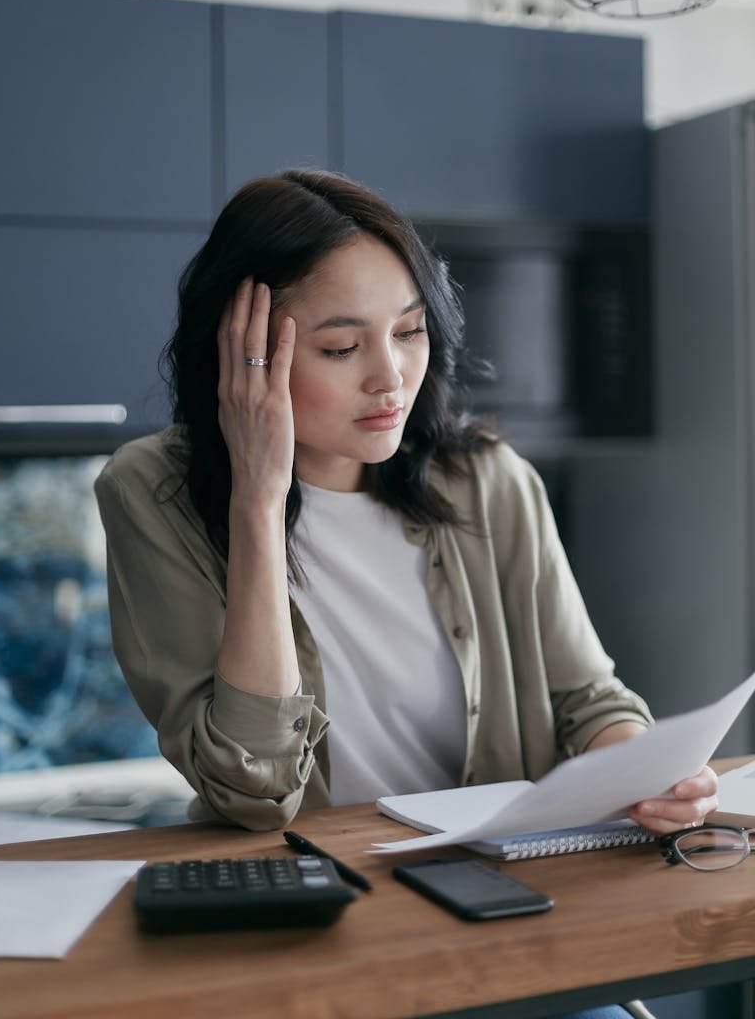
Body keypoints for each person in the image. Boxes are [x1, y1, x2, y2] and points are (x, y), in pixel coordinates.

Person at [95, 169, 716, 1019]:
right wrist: (257, 498)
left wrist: (644, 766)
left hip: (501, 910)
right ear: (241, 355)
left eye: (411, 332)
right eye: (342, 349)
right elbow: (251, 787)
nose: (391, 378)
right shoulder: (152, 493)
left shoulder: (488, 480)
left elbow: (586, 698)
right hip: (314, 935)